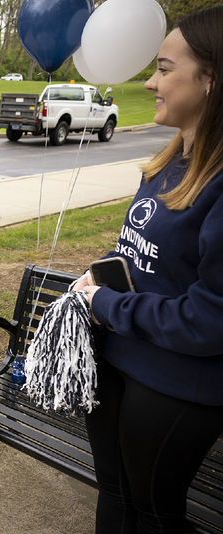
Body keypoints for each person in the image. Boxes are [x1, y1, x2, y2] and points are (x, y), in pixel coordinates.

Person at [74, 7, 223, 532]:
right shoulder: (170, 161)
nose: (149, 82)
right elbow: (146, 259)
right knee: (114, 495)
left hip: (175, 384)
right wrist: (96, 284)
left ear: (210, 79)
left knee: (156, 514)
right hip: (117, 360)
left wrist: (108, 304)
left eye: (164, 68)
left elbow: (211, 320)